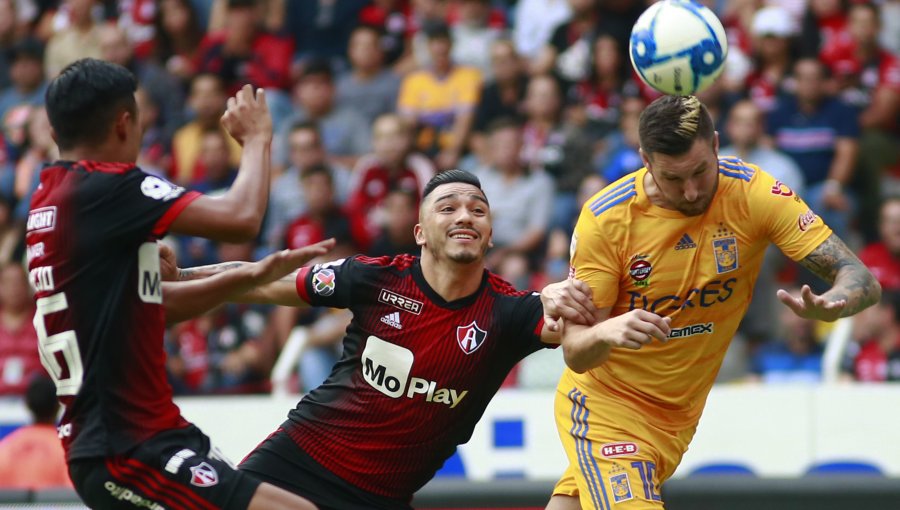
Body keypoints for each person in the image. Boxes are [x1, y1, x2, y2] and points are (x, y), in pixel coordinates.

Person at [173, 169, 663, 509]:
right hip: (296, 462)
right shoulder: (375, 278)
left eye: (478, 209)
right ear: (421, 232)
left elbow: (575, 345)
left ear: (490, 234)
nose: (464, 216)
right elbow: (260, 280)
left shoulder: (510, 312)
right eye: (447, 208)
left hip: (382, 499)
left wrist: (605, 329)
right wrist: (179, 278)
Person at [548, 95, 881, 510]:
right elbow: (576, 353)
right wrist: (605, 330)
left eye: (701, 171)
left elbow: (861, 277)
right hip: (605, 408)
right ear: (645, 160)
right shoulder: (607, 220)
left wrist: (835, 301)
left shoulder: (754, 193)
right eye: (672, 178)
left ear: (717, 145)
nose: (690, 191)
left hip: (677, 417)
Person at [26, 58, 321, 510]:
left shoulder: (51, 199)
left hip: (143, 437)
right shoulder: (108, 189)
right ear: (125, 124)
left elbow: (151, 309)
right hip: (128, 449)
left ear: (53, 131)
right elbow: (241, 217)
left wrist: (248, 276)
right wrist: (258, 139)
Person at [0, 376, 71, 488]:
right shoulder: (67, 451)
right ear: (58, 405)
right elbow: (72, 499)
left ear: (27, 405)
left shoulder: (5, 447)